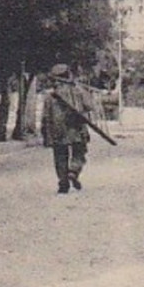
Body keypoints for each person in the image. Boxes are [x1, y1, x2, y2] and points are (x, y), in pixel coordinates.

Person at [40, 63, 94, 195]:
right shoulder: (78, 90)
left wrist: (45, 134)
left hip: (57, 129)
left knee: (60, 156)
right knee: (79, 152)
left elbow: (45, 116)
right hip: (76, 127)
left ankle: (63, 183)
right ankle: (73, 171)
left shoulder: (50, 96)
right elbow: (89, 105)